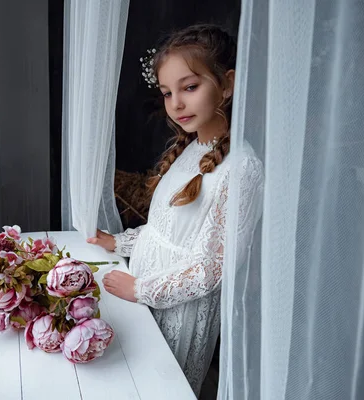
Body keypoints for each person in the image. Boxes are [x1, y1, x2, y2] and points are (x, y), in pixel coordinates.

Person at [87, 24, 264, 395]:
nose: (176, 104)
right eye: (168, 93)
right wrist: (118, 243)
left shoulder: (241, 168)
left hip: (180, 314)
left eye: (190, 87)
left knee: (159, 387)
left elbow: (212, 269)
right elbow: (165, 232)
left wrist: (141, 289)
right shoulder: (189, 149)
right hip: (145, 292)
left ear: (227, 85)